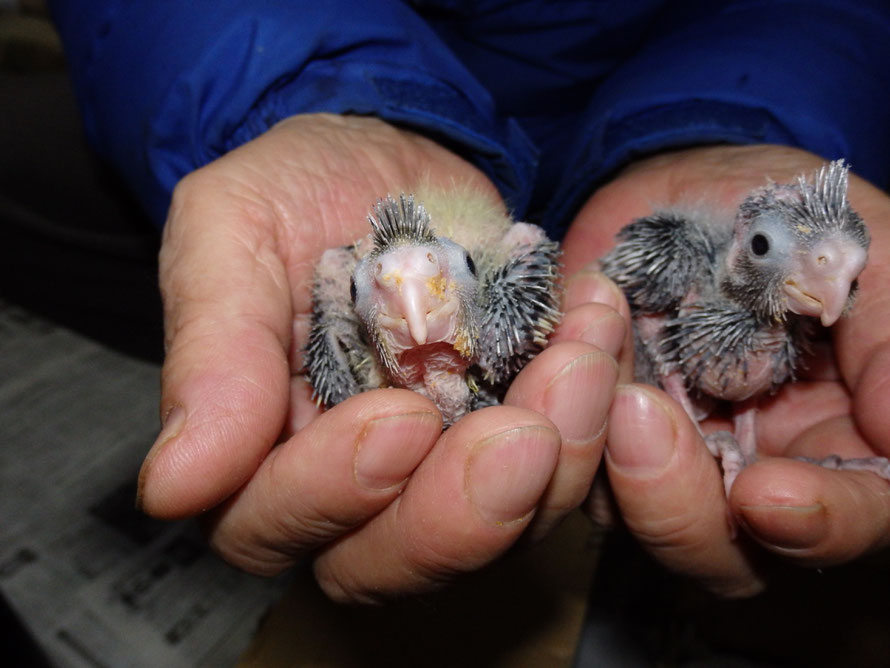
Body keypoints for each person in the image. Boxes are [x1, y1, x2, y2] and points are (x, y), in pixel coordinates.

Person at [46, 0, 890, 603]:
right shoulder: (368, 301)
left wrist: (735, 126)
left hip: (691, 75)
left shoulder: (546, 293)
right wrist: (297, 104)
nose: (417, 318)